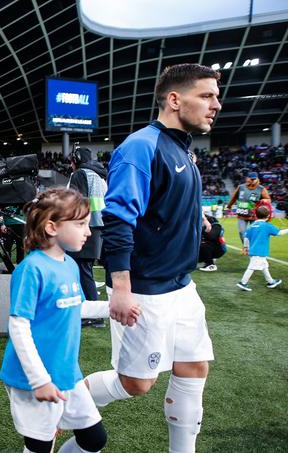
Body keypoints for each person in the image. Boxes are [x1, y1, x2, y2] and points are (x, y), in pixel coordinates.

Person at [84, 64, 221, 453]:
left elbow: (163, 200)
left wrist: (198, 216)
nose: (216, 105)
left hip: (181, 285)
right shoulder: (140, 147)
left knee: (194, 368)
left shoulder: (182, 148)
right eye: (207, 96)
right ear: (175, 100)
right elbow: (119, 220)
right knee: (136, 384)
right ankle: (66, 405)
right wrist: (122, 290)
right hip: (145, 290)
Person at [0, 188, 108, 453]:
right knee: (39, 446)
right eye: (80, 223)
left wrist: (112, 308)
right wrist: (40, 380)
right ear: (51, 227)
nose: (88, 230)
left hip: (67, 372)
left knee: (94, 439)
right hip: (33, 379)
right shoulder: (31, 269)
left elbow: (76, 307)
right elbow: (18, 326)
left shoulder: (69, 264)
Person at [66, 147, 108, 328]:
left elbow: (78, 202)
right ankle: (90, 313)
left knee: (83, 271)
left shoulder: (80, 174)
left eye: (71, 160)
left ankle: (95, 316)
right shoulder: (98, 176)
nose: (70, 164)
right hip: (97, 227)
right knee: (85, 270)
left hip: (85, 228)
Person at [237, 205, 286, 291]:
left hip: (253, 250)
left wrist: (245, 247)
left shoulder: (252, 226)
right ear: (268, 216)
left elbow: (246, 238)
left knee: (264, 266)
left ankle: (271, 282)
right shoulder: (266, 226)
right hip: (260, 251)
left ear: (256, 215)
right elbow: (279, 233)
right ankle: (243, 282)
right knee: (252, 267)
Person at [226, 171, 271, 243]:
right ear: (247, 178)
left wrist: (264, 200)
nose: (253, 181)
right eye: (251, 179)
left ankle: (251, 247)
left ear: (257, 179)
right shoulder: (241, 187)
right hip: (241, 214)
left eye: (254, 179)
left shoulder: (261, 189)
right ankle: (246, 246)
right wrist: (229, 206)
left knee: (254, 233)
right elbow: (234, 197)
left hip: (255, 215)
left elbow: (268, 199)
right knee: (242, 232)